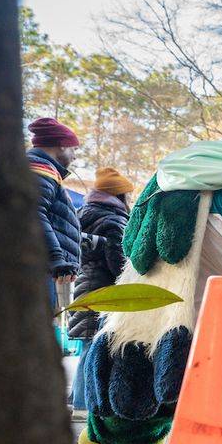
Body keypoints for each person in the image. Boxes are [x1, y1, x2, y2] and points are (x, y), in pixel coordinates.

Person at [69, 167, 134, 411]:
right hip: (104, 290)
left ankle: (77, 397)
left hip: (84, 284)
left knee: (87, 343)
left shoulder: (82, 213)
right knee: (93, 346)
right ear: (119, 196)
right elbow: (118, 263)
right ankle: (82, 404)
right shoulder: (113, 220)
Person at [27, 117, 81, 315]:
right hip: (40, 268)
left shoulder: (41, 169)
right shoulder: (41, 169)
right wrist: (56, 259)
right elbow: (33, 214)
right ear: (62, 145)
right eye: (74, 149)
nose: (74, 157)